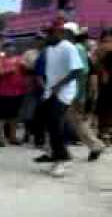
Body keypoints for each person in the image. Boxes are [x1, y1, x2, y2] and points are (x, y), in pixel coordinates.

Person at [34, 21, 84, 177]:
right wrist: (49, 88)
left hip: (64, 92)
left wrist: (59, 85)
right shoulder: (49, 49)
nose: (47, 36)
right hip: (51, 91)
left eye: (50, 32)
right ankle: (57, 157)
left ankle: (64, 159)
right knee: (45, 123)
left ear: (60, 32)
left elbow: (77, 71)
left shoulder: (68, 47)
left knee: (55, 123)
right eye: (46, 32)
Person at [63, 23, 105, 161]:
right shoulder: (73, 48)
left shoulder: (77, 48)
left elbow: (82, 73)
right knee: (75, 123)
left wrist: (80, 96)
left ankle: (95, 145)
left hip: (75, 94)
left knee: (76, 123)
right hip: (71, 93)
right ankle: (95, 145)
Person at [0, 41, 26, 147]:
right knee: (1, 116)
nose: (10, 49)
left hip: (17, 92)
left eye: (12, 47)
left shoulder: (20, 59)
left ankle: (13, 137)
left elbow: (26, 69)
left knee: (14, 116)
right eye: (7, 47)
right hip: (2, 92)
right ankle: (0, 138)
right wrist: (10, 70)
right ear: (4, 49)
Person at [96, 28, 112, 145]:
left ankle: (107, 134)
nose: (107, 44)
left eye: (110, 41)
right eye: (105, 41)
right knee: (104, 111)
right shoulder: (98, 53)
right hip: (103, 86)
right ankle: (103, 134)